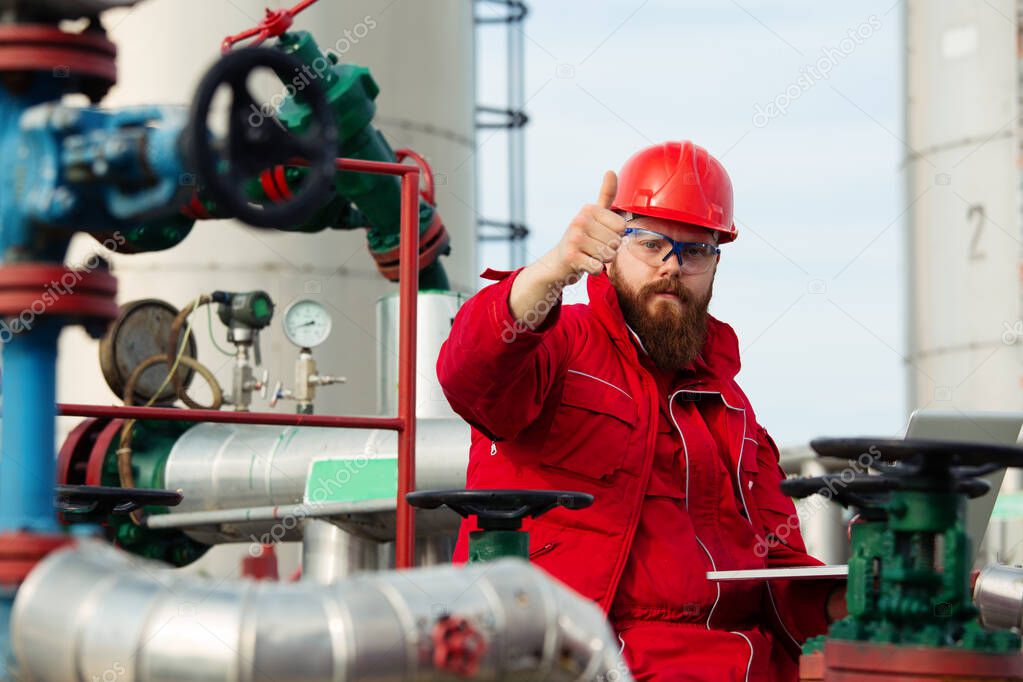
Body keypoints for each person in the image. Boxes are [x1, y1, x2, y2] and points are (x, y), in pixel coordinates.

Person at [437, 140, 845, 681]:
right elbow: (470, 374)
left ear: (716, 262)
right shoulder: (558, 343)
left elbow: (779, 570)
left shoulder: (732, 407)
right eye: (652, 244)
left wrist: (864, 594)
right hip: (587, 660)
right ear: (612, 246)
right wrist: (550, 272)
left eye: (696, 252)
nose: (672, 268)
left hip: (740, 668)